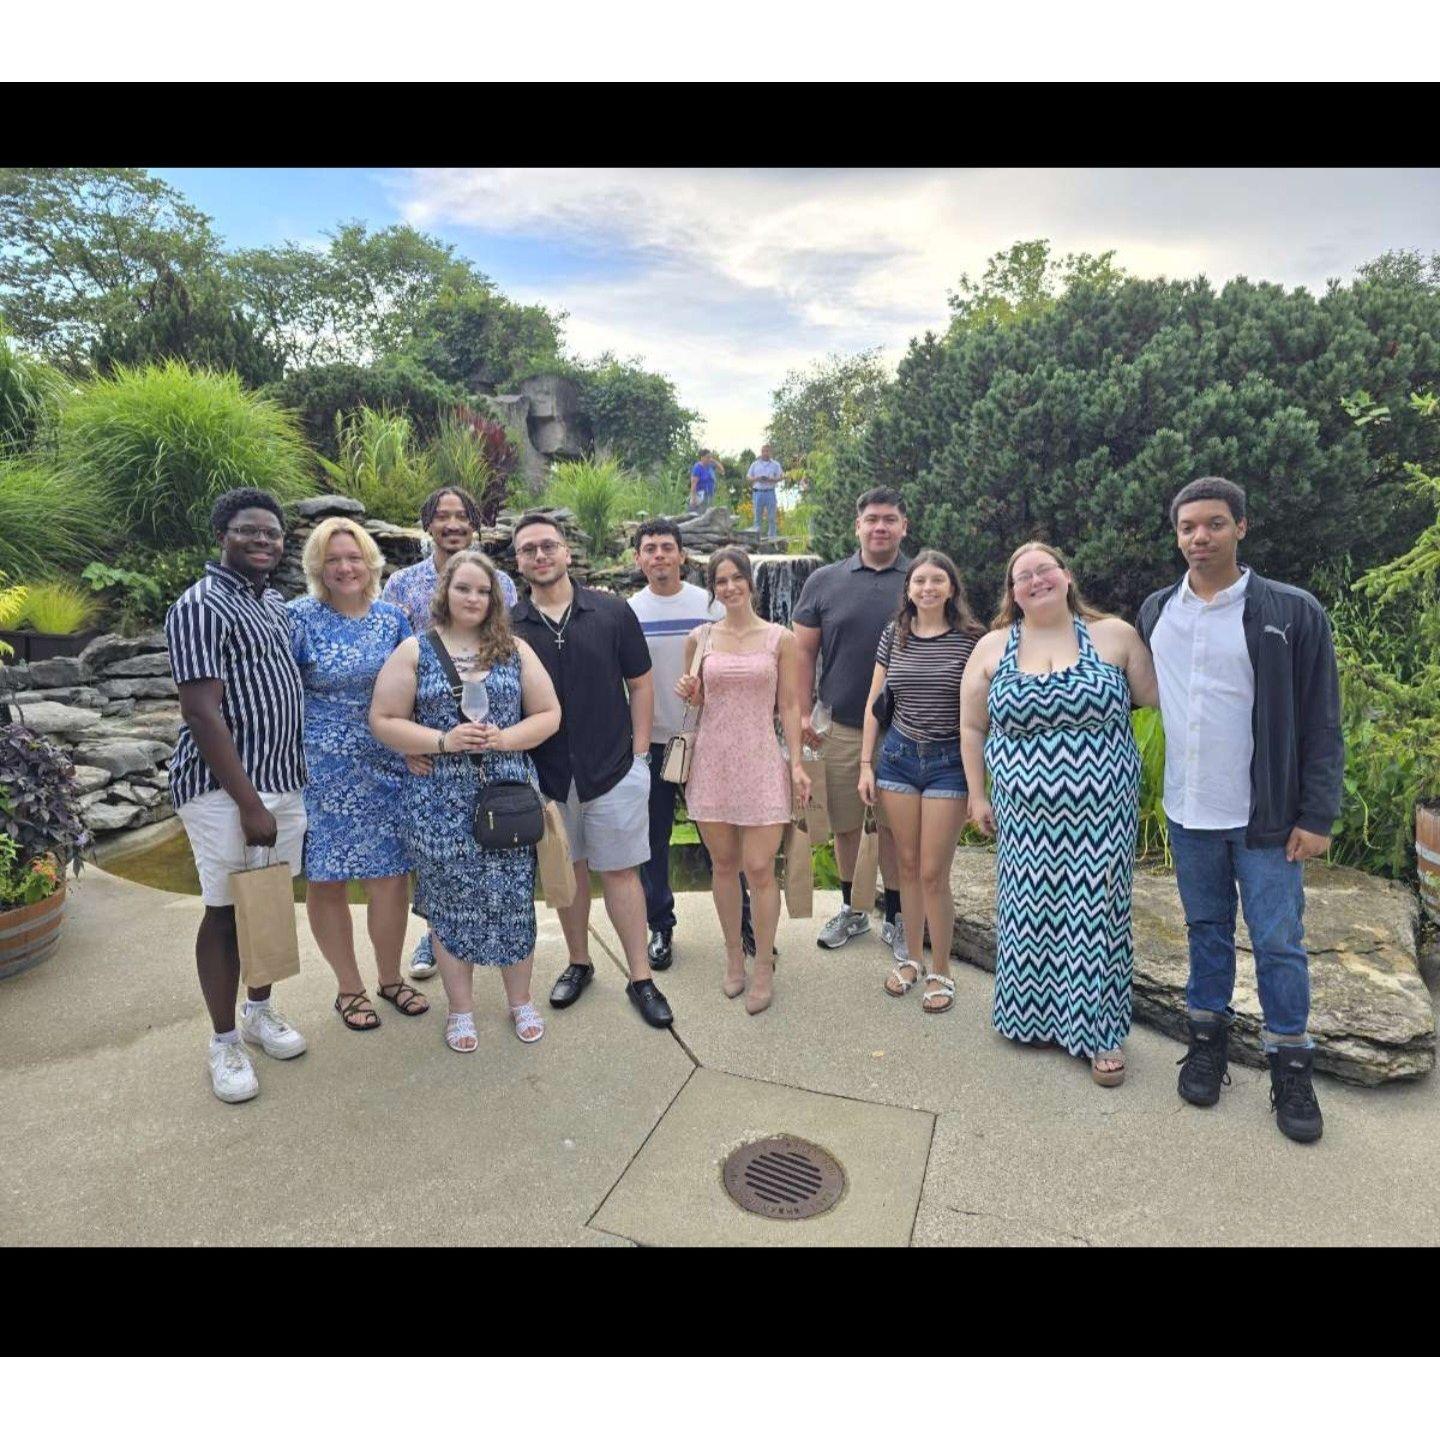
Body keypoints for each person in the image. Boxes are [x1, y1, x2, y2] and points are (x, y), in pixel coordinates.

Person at [1138, 477, 1342, 1143]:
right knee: (1205, 932)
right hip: (1189, 812)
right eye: (1189, 527)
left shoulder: (1290, 611)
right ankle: (1208, 1042)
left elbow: (1321, 718)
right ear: (1176, 535)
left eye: (1214, 524)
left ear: (1242, 528)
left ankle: (1289, 1061)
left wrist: (1317, 815)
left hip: (1267, 818)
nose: (1200, 537)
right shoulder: (1157, 611)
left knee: (1280, 943)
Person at [960, 541, 1158, 1085]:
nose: (1035, 579)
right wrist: (977, 796)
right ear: (1013, 593)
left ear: (1066, 577)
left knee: (1096, 916)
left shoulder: (1113, 635)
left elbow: (1161, 698)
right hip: (1023, 816)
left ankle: (1099, 1035)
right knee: (1030, 911)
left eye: (1044, 569)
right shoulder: (992, 647)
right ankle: (1033, 1019)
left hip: (1102, 812)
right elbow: (973, 727)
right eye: (1022, 575)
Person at [369, 550, 561, 1052]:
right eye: (463, 588)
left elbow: (549, 713)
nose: (473, 598)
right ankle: (461, 1010)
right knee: (452, 908)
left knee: (513, 902)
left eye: (482, 590)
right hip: (438, 802)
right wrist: (440, 740)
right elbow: (384, 719)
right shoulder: (415, 649)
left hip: (507, 796)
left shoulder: (514, 649)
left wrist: (506, 738)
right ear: (445, 593)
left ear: (495, 598)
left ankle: (520, 1001)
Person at [167, 488, 309, 1104]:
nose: (263, 541)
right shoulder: (200, 605)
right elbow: (201, 712)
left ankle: (259, 1011)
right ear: (222, 535)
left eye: (273, 534)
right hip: (226, 790)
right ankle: (224, 1040)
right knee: (224, 910)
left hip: (282, 780)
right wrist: (249, 803)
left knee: (266, 902)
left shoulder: (273, 604)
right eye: (249, 530)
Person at [508, 513, 675, 1028]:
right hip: (547, 774)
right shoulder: (509, 625)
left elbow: (641, 684)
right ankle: (580, 963)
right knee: (568, 871)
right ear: (518, 561)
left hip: (613, 769)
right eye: (529, 549)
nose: (540, 556)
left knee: (622, 873)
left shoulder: (610, 611)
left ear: (566, 553)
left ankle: (641, 976)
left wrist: (641, 755)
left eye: (548, 546)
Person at [288, 518, 424, 1032]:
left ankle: (390, 979)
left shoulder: (393, 620)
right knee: (328, 880)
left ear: (370, 562)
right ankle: (349, 988)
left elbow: (418, 686)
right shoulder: (298, 617)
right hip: (323, 768)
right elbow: (281, 693)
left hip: (388, 761)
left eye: (353, 556)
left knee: (390, 877)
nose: (345, 567)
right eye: (333, 559)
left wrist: (418, 743)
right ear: (318, 567)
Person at [380, 484, 517, 982]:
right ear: (428, 524)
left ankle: (492, 944)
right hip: (429, 748)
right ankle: (434, 935)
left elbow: (508, 651)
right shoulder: (402, 586)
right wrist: (410, 744)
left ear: (474, 523)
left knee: (494, 851)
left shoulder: (500, 581)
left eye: (462, 515)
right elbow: (392, 673)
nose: (453, 524)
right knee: (438, 855)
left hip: (490, 745)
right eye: (443, 516)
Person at [676, 548, 810, 1013]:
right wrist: (691, 692)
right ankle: (734, 957)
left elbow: (790, 706)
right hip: (712, 762)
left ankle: (764, 967)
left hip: (760, 761)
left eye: (737, 578)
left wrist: (796, 763)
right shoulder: (700, 638)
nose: (729, 587)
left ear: (751, 583)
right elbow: (695, 703)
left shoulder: (781, 639)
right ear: (713, 588)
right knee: (723, 865)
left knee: (759, 868)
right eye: (720, 580)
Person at [628, 518, 759, 969]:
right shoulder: (629, 611)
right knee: (654, 839)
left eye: (667, 547)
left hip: (711, 742)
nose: (659, 555)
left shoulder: (711, 605)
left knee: (727, 839)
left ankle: (746, 923)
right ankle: (660, 926)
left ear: (682, 555)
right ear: (638, 558)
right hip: (654, 742)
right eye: (650, 548)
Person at [858, 550, 984, 1014]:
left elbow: (982, 713)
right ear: (908, 590)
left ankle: (942, 970)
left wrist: (978, 786)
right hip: (898, 760)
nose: (927, 588)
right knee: (906, 867)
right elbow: (876, 702)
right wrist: (866, 764)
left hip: (949, 761)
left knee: (934, 873)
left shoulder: (972, 639)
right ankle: (911, 958)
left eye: (937, 581)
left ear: (952, 588)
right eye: (919, 581)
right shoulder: (895, 635)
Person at [793, 486, 909, 955]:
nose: (880, 527)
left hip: (906, 729)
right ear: (857, 525)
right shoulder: (824, 581)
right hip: (840, 725)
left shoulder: (920, 578)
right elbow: (803, 651)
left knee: (895, 827)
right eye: (872, 519)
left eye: (890, 519)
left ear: (904, 526)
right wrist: (802, 711)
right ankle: (854, 909)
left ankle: (898, 916)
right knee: (844, 824)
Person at [746, 443, 784, 539]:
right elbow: (748, 477)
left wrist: (773, 480)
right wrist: (756, 478)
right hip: (758, 492)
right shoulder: (755, 464)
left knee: (771, 517)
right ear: (761, 452)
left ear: (770, 452)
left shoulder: (775, 464)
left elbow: (781, 476)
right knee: (757, 517)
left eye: (767, 451)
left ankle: (772, 537)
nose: (765, 453)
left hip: (770, 491)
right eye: (764, 451)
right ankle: (756, 538)